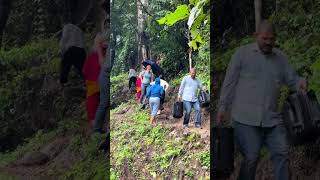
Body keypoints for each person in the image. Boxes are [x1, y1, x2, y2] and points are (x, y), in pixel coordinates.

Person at [216, 20, 307, 180]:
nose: (268, 42)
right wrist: (223, 107)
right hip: (245, 119)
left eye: (271, 39)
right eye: (264, 39)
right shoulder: (242, 54)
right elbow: (229, 83)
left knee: (282, 152)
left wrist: (300, 82)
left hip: (272, 119)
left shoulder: (281, 58)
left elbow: (292, 80)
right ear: (256, 36)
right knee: (251, 156)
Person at [82, 33, 107, 127]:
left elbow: (85, 71)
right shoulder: (94, 56)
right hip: (94, 82)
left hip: (95, 82)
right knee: (94, 102)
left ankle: (95, 122)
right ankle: (95, 123)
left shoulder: (95, 56)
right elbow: (85, 70)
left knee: (94, 101)